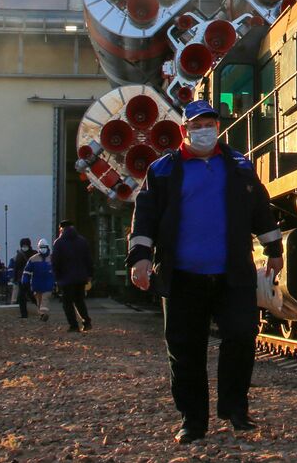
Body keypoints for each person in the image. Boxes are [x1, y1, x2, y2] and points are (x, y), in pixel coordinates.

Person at [128, 99, 284, 443]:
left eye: (210, 124)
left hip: (232, 274)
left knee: (242, 336)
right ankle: (193, 420)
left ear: (218, 128)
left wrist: (274, 248)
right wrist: (140, 258)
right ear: (185, 130)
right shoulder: (163, 170)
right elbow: (145, 217)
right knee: (185, 349)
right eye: (197, 125)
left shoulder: (240, 167)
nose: (204, 130)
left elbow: (260, 208)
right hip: (183, 275)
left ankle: (235, 409)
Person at [51, 221, 94, 333]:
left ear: (61, 229)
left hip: (65, 278)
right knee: (79, 300)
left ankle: (74, 326)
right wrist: (89, 274)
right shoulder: (82, 241)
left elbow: (55, 261)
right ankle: (87, 322)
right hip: (81, 277)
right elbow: (88, 259)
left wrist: (56, 276)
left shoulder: (59, 243)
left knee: (67, 303)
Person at [21, 239, 55, 321]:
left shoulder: (52, 258)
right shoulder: (33, 259)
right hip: (37, 284)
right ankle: (41, 314)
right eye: (41, 247)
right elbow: (27, 271)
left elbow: (57, 270)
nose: (43, 249)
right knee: (39, 301)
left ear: (47, 247)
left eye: (44, 247)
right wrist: (25, 281)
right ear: (38, 248)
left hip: (48, 283)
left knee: (45, 298)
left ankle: (44, 313)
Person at [10, 238, 36, 318]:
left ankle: (41, 309)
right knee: (22, 297)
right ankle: (24, 314)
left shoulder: (34, 254)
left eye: (26, 245)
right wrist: (15, 278)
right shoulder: (20, 255)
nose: (24, 247)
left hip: (31, 278)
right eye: (23, 245)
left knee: (32, 296)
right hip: (22, 279)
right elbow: (16, 267)